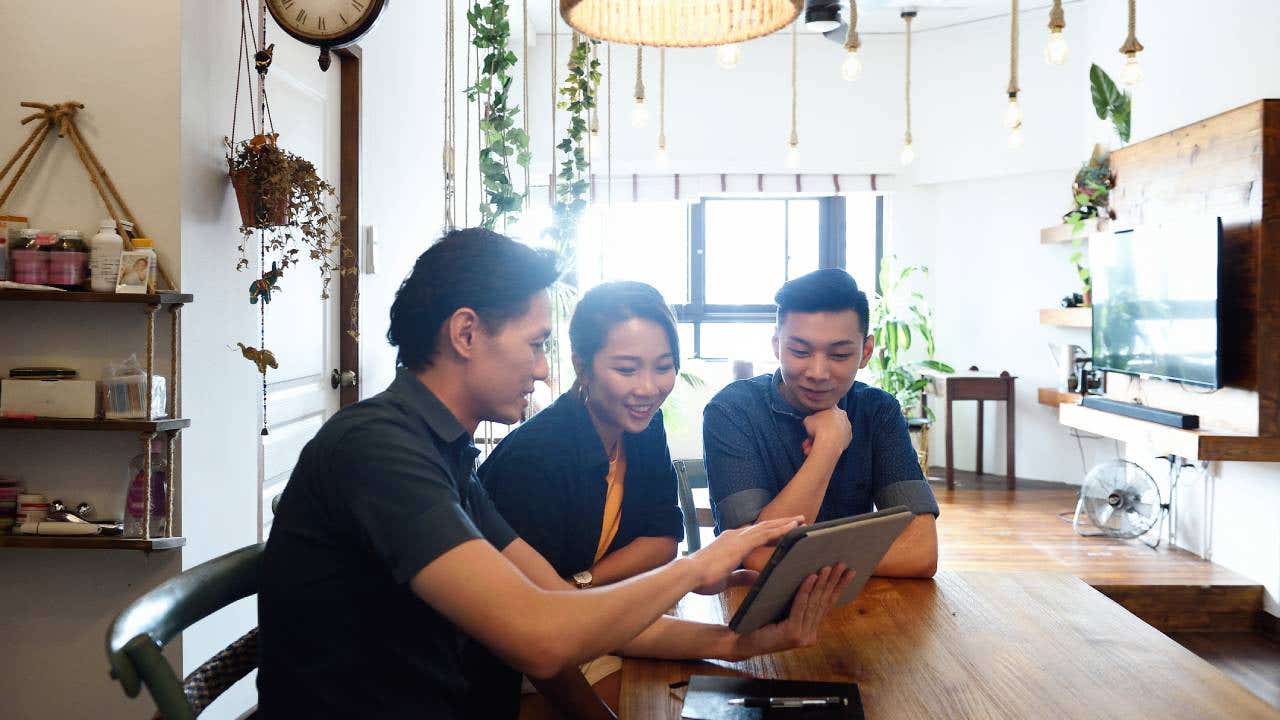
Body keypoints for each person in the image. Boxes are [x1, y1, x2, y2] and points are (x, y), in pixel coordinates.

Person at [258, 229, 855, 720]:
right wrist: (694, 569)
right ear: (466, 334)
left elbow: (562, 605)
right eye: (536, 343)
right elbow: (541, 639)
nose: (545, 371)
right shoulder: (379, 452)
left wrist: (746, 644)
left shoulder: (443, 454)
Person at [703, 268, 940, 575]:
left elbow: (921, 551)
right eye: (800, 351)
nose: (817, 372)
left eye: (839, 355)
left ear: (866, 352)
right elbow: (755, 554)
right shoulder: (733, 411)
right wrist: (827, 447)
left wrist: (795, 563)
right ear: (777, 345)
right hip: (751, 607)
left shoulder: (877, 410)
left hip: (853, 603)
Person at [480, 281, 684, 588]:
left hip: (593, 611)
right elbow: (527, 596)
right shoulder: (535, 458)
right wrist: (575, 595)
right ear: (583, 368)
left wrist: (581, 585)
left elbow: (664, 539)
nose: (648, 388)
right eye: (627, 370)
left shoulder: (645, 427)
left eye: (663, 367)